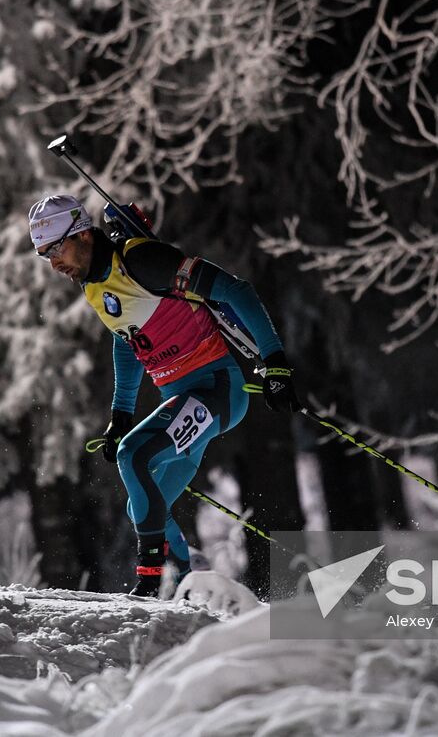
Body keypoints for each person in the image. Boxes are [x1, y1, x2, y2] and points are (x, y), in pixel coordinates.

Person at [27, 193, 296, 596]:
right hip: (183, 398)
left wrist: (275, 363)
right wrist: (121, 414)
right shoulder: (94, 286)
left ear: (81, 233)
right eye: (43, 255)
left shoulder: (141, 260)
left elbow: (235, 290)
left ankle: (149, 584)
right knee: (144, 506)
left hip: (216, 390)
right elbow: (127, 340)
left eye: (54, 248)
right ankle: (194, 577)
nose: (53, 263)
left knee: (133, 456)